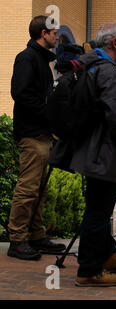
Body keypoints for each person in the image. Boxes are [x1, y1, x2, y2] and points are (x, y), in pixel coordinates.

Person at [50, 22, 116, 287]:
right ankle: (88, 269)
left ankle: (107, 255)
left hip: (88, 150)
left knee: (99, 209)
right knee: (98, 212)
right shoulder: (108, 72)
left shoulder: (88, 63)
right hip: (104, 152)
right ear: (114, 43)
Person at [7, 16, 67, 261]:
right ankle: (17, 240)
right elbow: (20, 94)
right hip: (32, 133)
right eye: (55, 33)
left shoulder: (43, 60)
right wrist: (47, 114)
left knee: (39, 189)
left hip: (42, 133)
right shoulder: (27, 58)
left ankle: (36, 236)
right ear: (44, 33)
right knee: (28, 188)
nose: (58, 37)